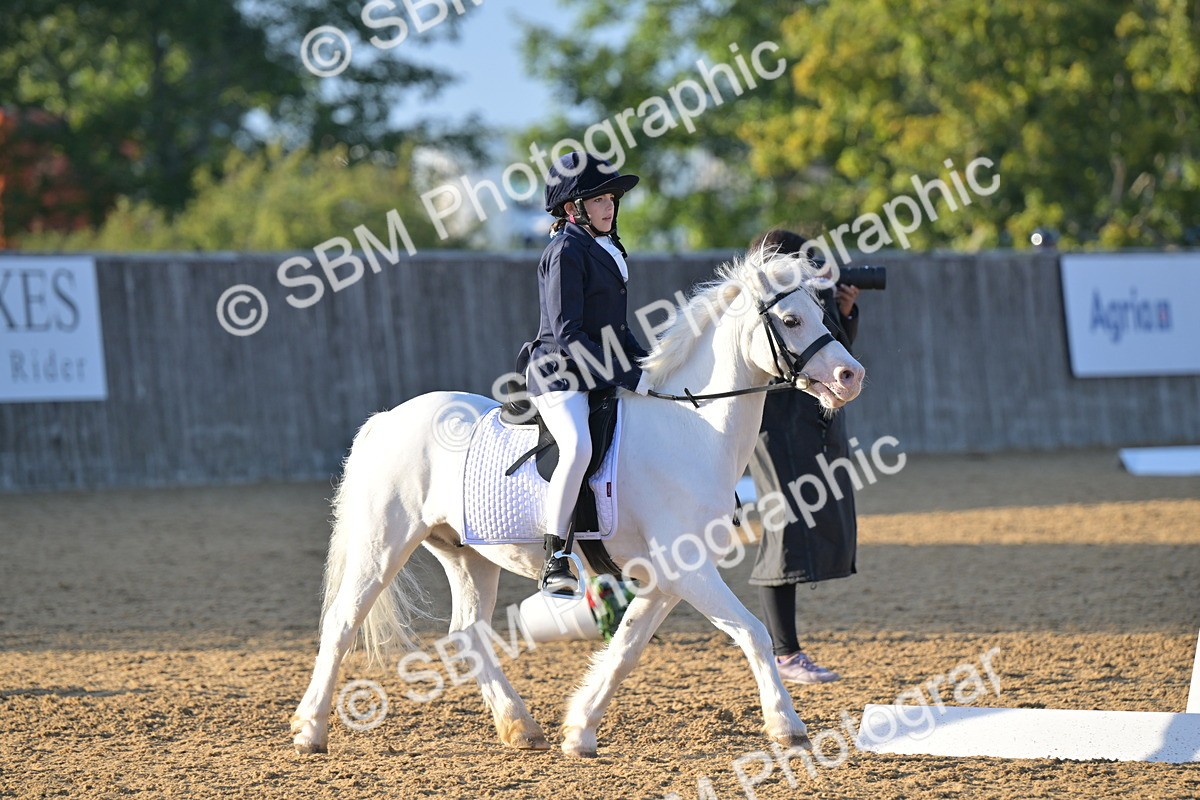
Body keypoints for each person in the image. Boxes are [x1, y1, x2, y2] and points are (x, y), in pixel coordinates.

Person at [516, 151, 653, 596]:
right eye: (598, 199)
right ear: (574, 208)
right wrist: (627, 376)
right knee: (576, 447)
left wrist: (651, 365)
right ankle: (556, 557)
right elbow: (569, 333)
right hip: (560, 372)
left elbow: (618, 328)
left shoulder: (606, 248)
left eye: (611, 197)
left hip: (594, 367)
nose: (609, 206)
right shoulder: (564, 251)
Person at [747, 228, 861, 684]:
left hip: (810, 424)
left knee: (810, 522)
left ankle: (788, 652)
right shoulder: (761, 306)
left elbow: (836, 359)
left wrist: (845, 313)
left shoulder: (803, 302)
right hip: (775, 426)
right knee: (784, 531)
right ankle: (785, 653)